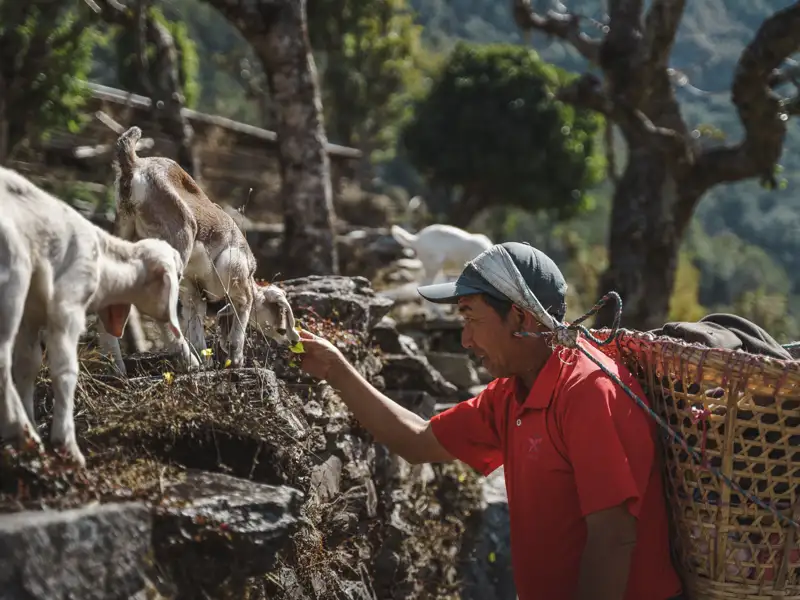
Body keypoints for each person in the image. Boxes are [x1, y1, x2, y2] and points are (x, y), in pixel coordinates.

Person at [295, 241, 684, 600]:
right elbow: (417, 441)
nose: (465, 340)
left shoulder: (587, 392)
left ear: (520, 318)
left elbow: (613, 538)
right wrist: (334, 368)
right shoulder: (514, 392)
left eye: (471, 318)